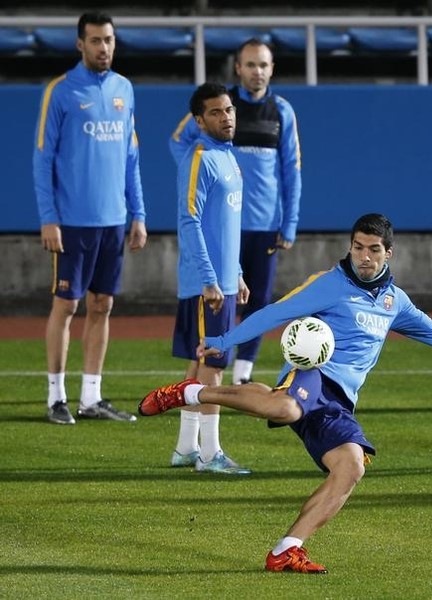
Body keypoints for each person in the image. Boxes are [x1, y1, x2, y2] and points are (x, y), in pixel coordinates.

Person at [139, 213, 432, 574]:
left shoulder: (395, 302)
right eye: (358, 247)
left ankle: (286, 549)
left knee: (351, 466)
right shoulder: (329, 284)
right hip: (311, 375)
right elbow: (276, 312)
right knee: (286, 408)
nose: (364, 256)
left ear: (388, 253)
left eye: (373, 249)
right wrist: (224, 340)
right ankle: (192, 393)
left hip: (341, 401)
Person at [32, 12, 147, 425]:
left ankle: (91, 397)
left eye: (110, 40)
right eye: (96, 41)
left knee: (102, 305)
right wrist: (50, 218)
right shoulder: (60, 92)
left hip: (114, 220)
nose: (104, 48)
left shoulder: (124, 89)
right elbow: (42, 160)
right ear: (80, 44)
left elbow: (131, 157)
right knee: (67, 305)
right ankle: (56, 398)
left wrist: (138, 213)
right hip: (73, 222)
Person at [169, 38, 301, 386]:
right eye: (251, 65)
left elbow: (293, 169)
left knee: (258, 300)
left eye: (264, 65)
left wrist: (290, 222)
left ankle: (243, 372)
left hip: (264, 222)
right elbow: (178, 141)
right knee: (218, 311)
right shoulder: (216, 106)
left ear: (272, 69)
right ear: (238, 68)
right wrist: (197, 177)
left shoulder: (281, 111)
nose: (257, 71)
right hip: (221, 222)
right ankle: (212, 394)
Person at [167, 82, 251, 474]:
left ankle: (185, 448)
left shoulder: (228, 157)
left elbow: (225, 226)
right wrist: (210, 278)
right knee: (213, 367)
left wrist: (236, 273)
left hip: (223, 282)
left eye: (229, 110)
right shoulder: (200, 155)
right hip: (208, 287)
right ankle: (209, 454)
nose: (226, 117)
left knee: (197, 365)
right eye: (216, 112)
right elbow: (191, 219)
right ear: (199, 121)